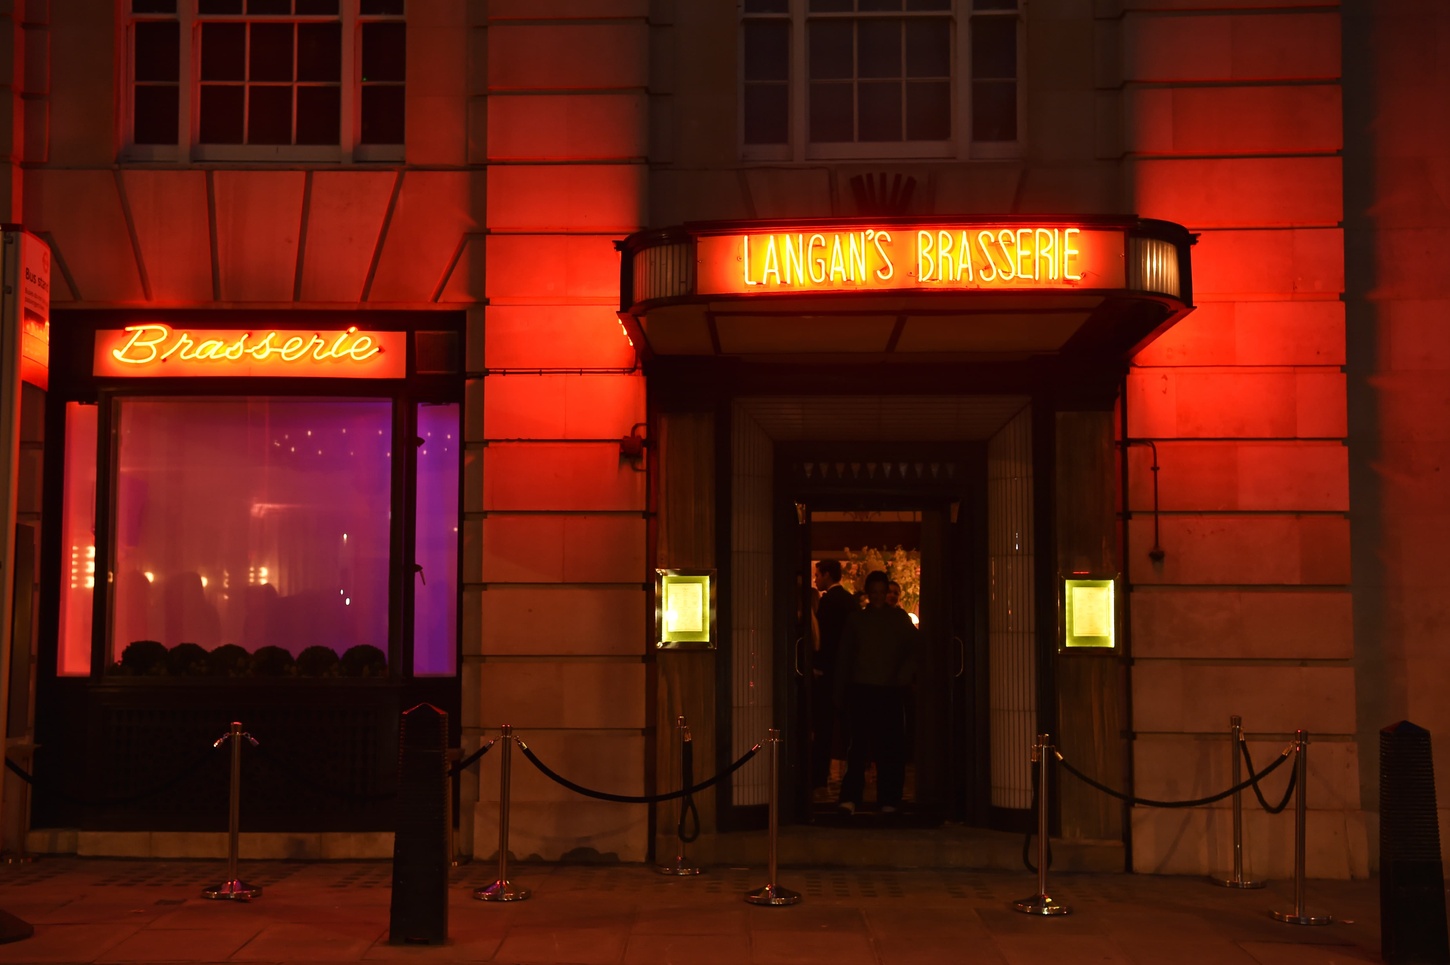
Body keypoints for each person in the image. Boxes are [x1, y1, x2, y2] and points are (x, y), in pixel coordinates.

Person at [835, 569, 917, 815]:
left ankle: (884, 798)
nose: (880, 597)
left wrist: (903, 675)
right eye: (876, 593)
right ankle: (870, 798)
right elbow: (845, 658)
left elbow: (915, 650)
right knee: (861, 747)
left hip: (886, 690)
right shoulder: (858, 620)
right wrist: (840, 692)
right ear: (869, 594)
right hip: (865, 689)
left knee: (885, 748)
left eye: (883, 592)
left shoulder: (896, 619)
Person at [811, 559, 855, 789]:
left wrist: (818, 666)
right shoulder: (850, 601)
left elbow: (824, 640)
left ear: (827, 575)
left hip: (828, 672)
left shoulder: (828, 602)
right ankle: (851, 775)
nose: (816, 579)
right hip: (848, 671)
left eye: (817, 575)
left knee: (824, 725)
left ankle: (820, 775)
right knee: (849, 726)